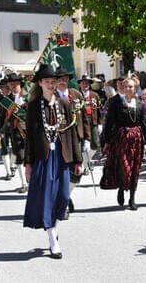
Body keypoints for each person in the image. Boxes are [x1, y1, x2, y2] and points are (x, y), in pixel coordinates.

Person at [24, 64, 82, 259]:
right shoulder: (33, 107)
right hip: (44, 157)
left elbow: (73, 133)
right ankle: (52, 239)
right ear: (40, 83)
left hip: (62, 156)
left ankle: (53, 230)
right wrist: (28, 163)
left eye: (53, 82)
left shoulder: (64, 104)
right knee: (47, 197)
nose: (51, 85)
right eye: (47, 82)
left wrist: (78, 160)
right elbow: (30, 137)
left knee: (63, 196)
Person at [100, 77, 146, 210]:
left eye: (131, 87)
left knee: (134, 168)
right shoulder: (116, 102)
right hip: (120, 138)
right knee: (123, 165)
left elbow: (145, 124)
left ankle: (132, 198)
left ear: (135, 89)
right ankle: (122, 189)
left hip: (136, 139)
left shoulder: (139, 104)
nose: (128, 89)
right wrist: (107, 141)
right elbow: (109, 123)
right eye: (126, 86)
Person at [56, 67, 91, 218]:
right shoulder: (50, 96)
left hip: (76, 138)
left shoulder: (76, 95)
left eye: (65, 78)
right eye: (59, 78)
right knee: (61, 172)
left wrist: (87, 138)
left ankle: (66, 195)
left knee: (77, 173)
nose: (62, 81)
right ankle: (62, 203)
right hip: (58, 139)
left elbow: (85, 118)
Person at [6, 73, 28, 193]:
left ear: (20, 84)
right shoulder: (6, 100)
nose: (14, 85)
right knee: (19, 156)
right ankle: (24, 183)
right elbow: (2, 118)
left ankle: (31, 181)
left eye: (16, 83)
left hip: (30, 131)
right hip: (16, 131)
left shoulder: (28, 97)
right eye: (11, 83)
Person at [78, 75, 102, 174]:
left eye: (87, 83)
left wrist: (100, 123)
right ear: (80, 84)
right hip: (81, 124)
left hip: (93, 122)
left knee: (95, 145)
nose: (85, 85)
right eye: (83, 83)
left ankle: (88, 160)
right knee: (83, 145)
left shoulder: (94, 96)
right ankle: (85, 165)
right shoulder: (77, 95)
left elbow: (98, 110)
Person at [0, 77, 13, 180]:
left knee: (16, 150)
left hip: (15, 127)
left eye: (6, 87)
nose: (5, 89)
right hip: (2, 127)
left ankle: (12, 165)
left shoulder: (14, 98)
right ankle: (8, 172)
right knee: (4, 148)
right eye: (3, 87)